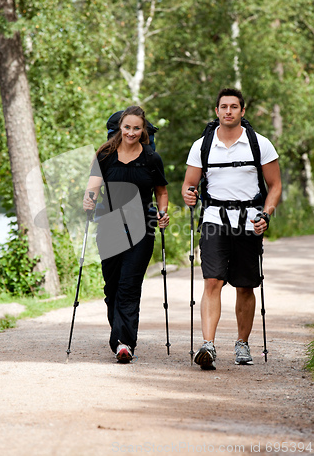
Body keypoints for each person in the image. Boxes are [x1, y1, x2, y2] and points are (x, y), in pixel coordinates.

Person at [182, 88, 282, 370]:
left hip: (249, 220)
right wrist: (189, 195)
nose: (228, 111)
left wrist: (266, 214)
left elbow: (275, 186)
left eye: (234, 107)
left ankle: (242, 343)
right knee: (212, 280)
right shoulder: (202, 145)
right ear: (216, 112)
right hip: (214, 219)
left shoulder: (260, 144)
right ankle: (208, 345)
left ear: (242, 111)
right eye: (223, 107)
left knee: (245, 285)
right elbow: (189, 185)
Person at [83, 106, 169, 363]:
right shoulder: (105, 155)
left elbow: (161, 191)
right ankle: (118, 334)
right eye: (127, 127)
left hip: (142, 228)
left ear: (143, 131)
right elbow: (93, 188)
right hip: (109, 227)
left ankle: (124, 343)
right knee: (112, 288)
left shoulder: (152, 159)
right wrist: (89, 201)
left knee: (129, 286)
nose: (131, 132)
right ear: (120, 128)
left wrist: (163, 212)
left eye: (137, 128)